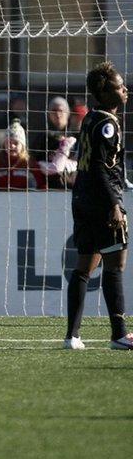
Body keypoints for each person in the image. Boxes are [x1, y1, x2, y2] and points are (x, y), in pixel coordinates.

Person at [65, 61, 132, 350]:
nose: (125, 89)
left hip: (82, 198)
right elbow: (102, 169)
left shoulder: (91, 117)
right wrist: (115, 204)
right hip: (102, 202)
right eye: (119, 86)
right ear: (105, 93)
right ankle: (119, 334)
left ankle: (72, 336)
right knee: (115, 264)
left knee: (84, 266)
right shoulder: (106, 124)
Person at [0, 120, 45, 190]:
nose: (12, 146)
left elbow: (42, 187)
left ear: (22, 146)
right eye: (8, 143)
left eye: (16, 143)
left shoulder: (31, 166)